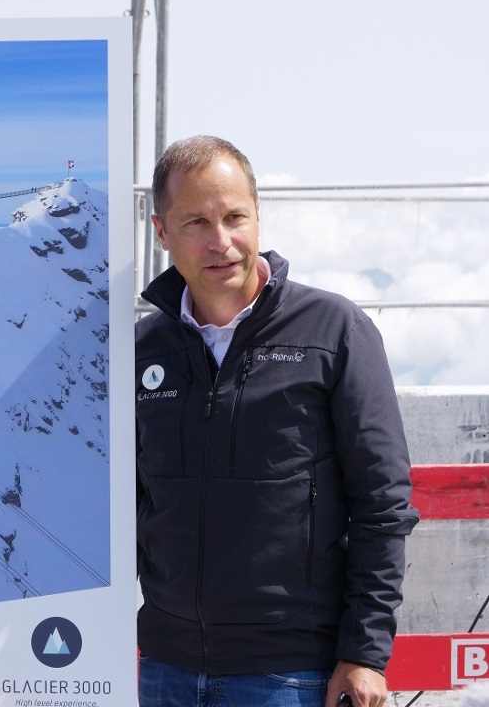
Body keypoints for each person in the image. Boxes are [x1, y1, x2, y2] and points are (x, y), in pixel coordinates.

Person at [135, 136, 418, 707]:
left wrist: (364, 653)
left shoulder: (334, 331)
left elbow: (383, 502)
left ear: (258, 215)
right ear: (162, 233)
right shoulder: (143, 348)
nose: (222, 242)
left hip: (289, 675)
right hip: (165, 669)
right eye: (195, 222)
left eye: (235, 216)